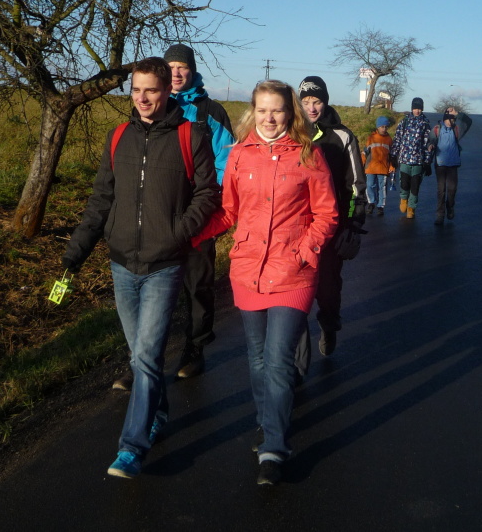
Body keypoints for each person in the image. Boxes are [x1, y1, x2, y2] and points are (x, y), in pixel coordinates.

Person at [61, 57, 220, 480]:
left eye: (151, 90)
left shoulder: (192, 136)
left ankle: (131, 447)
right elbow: (100, 201)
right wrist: (75, 253)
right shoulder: (118, 138)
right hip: (121, 265)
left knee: (148, 356)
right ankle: (158, 412)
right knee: (139, 357)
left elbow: (208, 194)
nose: (143, 98)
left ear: (168, 90)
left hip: (165, 265)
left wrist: (177, 234)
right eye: (136, 90)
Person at [192, 80, 338, 486]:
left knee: (277, 361)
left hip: (293, 272)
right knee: (256, 359)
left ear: (289, 113)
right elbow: (228, 211)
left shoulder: (309, 155)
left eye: (277, 110)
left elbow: (327, 214)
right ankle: (267, 421)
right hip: (248, 271)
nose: (269, 118)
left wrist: (304, 251)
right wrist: (192, 234)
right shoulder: (238, 155)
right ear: (251, 113)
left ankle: (274, 445)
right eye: (262, 111)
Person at [162, 43, 236, 380]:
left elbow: (228, 165)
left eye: (182, 67)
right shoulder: (155, 106)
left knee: (197, 286)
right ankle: (145, 357)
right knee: (155, 289)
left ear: (192, 70)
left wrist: (208, 209)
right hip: (160, 215)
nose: (176, 73)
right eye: (171, 66)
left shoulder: (212, 112)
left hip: (200, 216)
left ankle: (195, 349)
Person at [295, 75, 366, 367]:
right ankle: (297, 365)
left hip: (330, 230)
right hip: (296, 231)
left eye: (317, 101)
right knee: (295, 295)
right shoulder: (290, 134)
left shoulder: (342, 136)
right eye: (306, 101)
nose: (312, 107)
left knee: (327, 289)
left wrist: (351, 225)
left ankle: (328, 324)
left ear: (326, 101)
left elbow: (356, 186)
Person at [390, 97, 433, 218]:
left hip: (418, 160)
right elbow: (397, 138)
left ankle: (411, 207)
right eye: (415, 108)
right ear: (412, 108)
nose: (417, 111)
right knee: (404, 183)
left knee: (415, 186)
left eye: (419, 108)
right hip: (404, 159)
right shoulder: (405, 121)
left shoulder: (425, 123)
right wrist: (393, 155)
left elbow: (428, 143)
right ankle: (403, 199)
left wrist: (427, 161)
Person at [431, 107, 465, 225]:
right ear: (444, 119)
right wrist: (430, 145)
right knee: (441, 190)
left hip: (453, 164)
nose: (452, 121)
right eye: (449, 118)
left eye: (453, 119)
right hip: (440, 164)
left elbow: (468, 122)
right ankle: (440, 215)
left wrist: (457, 113)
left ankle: (450, 207)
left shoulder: (457, 130)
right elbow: (430, 140)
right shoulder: (437, 129)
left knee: (452, 189)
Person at [363, 115, 393, 216]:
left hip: (383, 168)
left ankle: (380, 206)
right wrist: (361, 163)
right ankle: (371, 202)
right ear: (377, 127)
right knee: (370, 185)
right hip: (371, 167)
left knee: (382, 187)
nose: (384, 129)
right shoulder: (371, 138)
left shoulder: (389, 139)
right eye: (382, 127)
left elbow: (392, 155)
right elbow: (365, 152)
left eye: (386, 127)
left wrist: (392, 166)